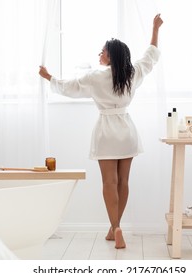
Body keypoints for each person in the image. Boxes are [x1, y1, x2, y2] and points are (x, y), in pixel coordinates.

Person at [39, 14, 163, 249]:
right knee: (123, 182)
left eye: (102, 52)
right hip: (126, 131)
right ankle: (114, 227)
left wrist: (49, 77)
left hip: (106, 132)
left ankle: (115, 227)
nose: (99, 54)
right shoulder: (132, 73)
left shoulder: (96, 77)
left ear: (110, 56)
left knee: (109, 182)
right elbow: (151, 56)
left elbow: (70, 87)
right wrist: (155, 28)